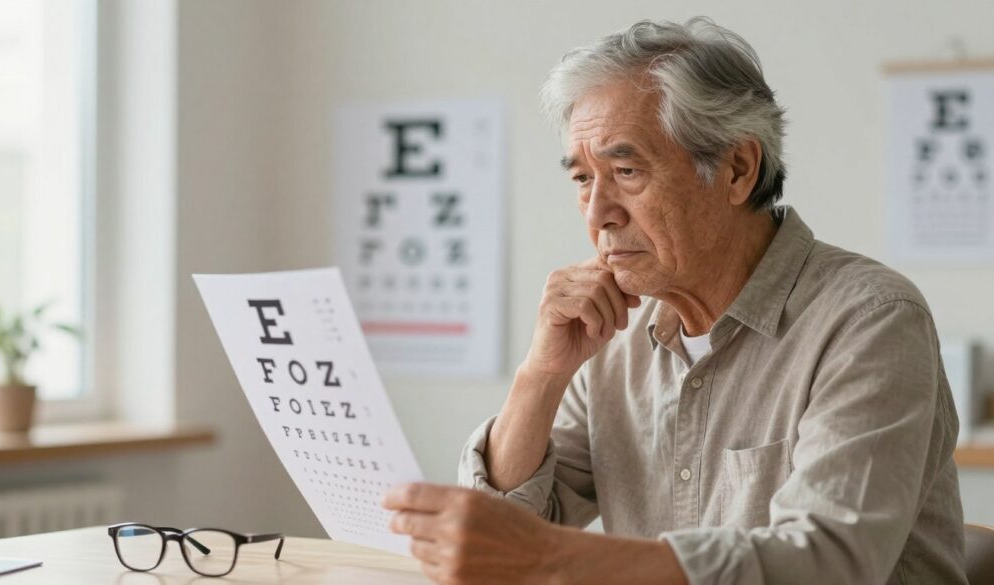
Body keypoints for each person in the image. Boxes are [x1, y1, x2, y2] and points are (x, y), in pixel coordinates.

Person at [383, 17, 967, 585]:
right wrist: (541, 373)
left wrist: (555, 562)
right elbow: (505, 536)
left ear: (737, 169)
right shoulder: (611, 341)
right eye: (582, 179)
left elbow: (831, 563)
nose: (597, 213)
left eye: (626, 170)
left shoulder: (871, 320)